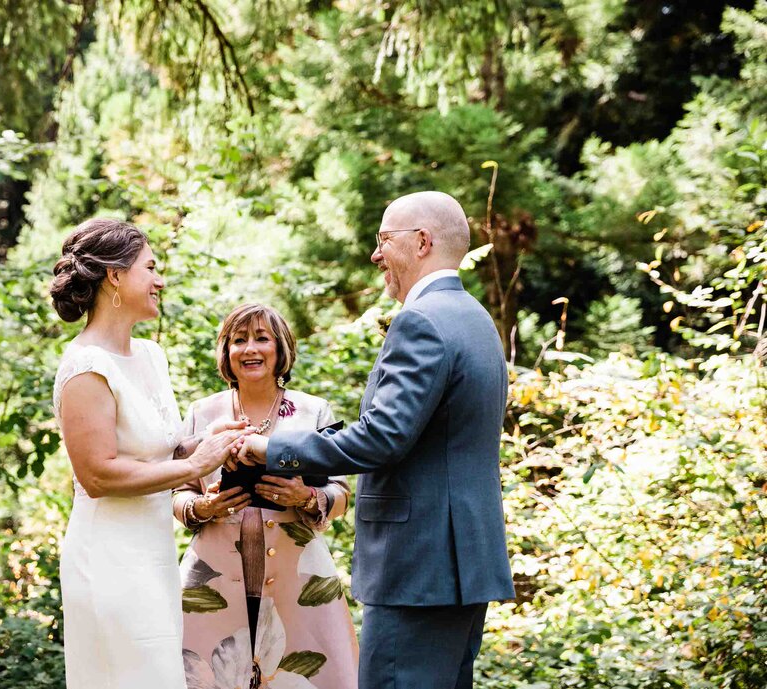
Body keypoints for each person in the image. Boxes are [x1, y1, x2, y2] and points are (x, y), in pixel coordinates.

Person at [233, 192, 515, 689]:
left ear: (422, 242)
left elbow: (382, 437)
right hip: (462, 560)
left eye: (384, 240)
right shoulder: (475, 319)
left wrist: (271, 447)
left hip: (419, 566)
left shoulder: (421, 321)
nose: (375, 254)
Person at [50, 218, 246, 689]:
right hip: (108, 557)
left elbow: (161, 449)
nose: (160, 280)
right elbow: (98, 476)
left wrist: (208, 442)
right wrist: (195, 465)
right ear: (115, 277)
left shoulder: (151, 356)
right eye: (150, 268)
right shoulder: (85, 367)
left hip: (154, 552)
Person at [172, 303, 359, 689]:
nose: (250, 349)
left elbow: (341, 492)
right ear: (226, 352)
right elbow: (176, 492)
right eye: (238, 340)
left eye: (261, 338)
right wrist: (201, 506)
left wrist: (305, 497)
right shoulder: (202, 412)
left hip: (299, 575)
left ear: (281, 349)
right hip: (212, 579)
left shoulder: (313, 411)